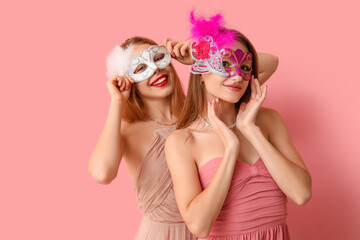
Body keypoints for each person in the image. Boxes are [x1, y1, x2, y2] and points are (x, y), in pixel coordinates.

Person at [88, 34, 279, 239]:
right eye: (141, 68)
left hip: (211, 229)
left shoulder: (205, 112)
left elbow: (270, 64)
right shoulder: (130, 129)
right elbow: (102, 173)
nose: (156, 69)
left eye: (158, 58)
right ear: (129, 80)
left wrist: (200, 55)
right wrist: (117, 102)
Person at [165, 14, 312, 240]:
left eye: (244, 66)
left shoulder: (268, 120)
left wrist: (251, 131)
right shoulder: (183, 141)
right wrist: (230, 149)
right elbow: (199, 226)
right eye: (224, 64)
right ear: (200, 73)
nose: (236, 76)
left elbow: (301, 194)